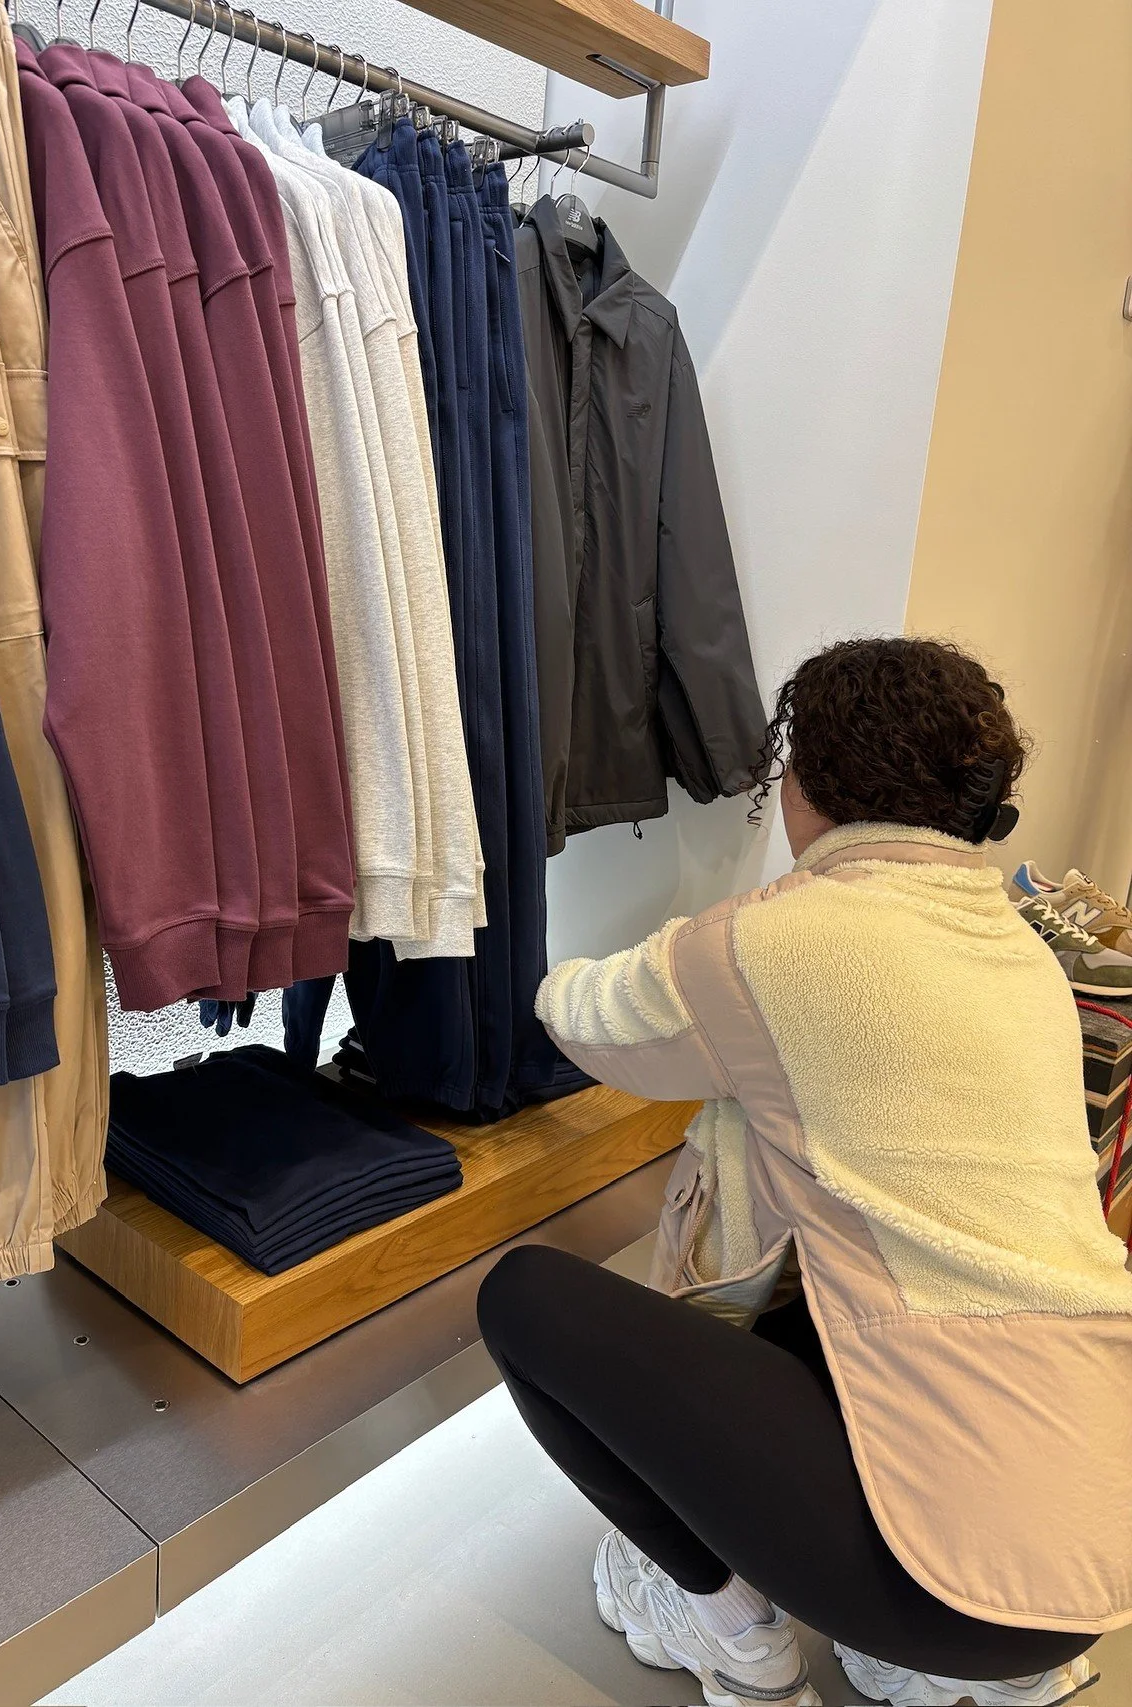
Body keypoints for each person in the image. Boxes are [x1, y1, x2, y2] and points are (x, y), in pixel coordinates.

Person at [477, 637, 1132, 1707]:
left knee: (525, 1300)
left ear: (808, 784)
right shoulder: (1015, 948)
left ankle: (728, 1630)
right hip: (1097, 1523)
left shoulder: (766, 943)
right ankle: (954, 1661)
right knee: (823, 1270)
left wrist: (535, 964)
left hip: (961, 1594)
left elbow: (586, 1019)